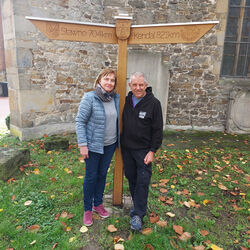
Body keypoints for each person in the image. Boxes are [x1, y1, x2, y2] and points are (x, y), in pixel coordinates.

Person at [75, 68, 120, 226]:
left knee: (102, 175)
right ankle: (88, 209)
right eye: (106, 79)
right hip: (93, 146)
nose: (109, 83)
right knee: (91, 176)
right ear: (99, 80)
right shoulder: (90, 97)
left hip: (110, 144)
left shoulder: (115, 98)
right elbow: (80, 121)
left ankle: (98, 204)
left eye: (112, 80)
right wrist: (83, 145)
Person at [121, 72, 163, 231]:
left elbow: (158, 130)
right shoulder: (125, 100)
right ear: (130, 86)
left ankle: (138, 214)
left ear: (146, 85)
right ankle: (137, 206)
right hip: (127, 149)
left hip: (144, 151)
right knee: (131, 178)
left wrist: (152, 151)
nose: (138, 88)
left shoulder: (154, 103)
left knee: (143, 181)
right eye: (134, 85)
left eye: (141, 85)